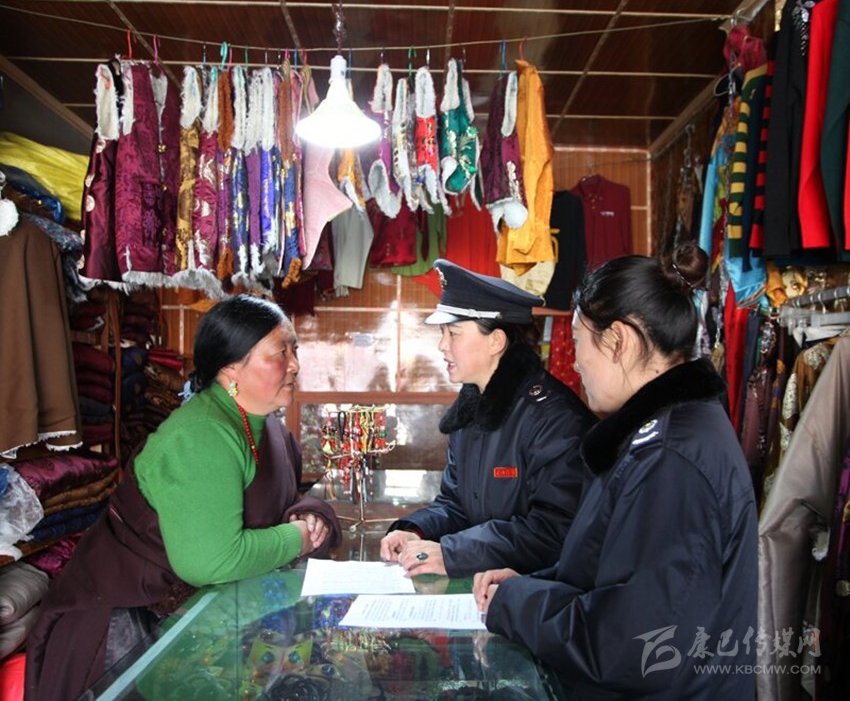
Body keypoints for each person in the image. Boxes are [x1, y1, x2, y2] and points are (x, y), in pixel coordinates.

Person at [473, 244, 758, 699]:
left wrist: (515, 603)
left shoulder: (671, 457)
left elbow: (633, 642)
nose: (576, 361)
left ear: (619, 340)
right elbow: (610, 571)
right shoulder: (660, 433)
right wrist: (532, 584)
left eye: (579, 341)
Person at [25, 294, 341, 701]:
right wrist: (297, 537)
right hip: (129, 638)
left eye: (295, 350)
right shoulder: (201, 435)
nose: (295, 364)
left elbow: (279, 500)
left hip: (197, 629)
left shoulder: (269, 429)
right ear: (231, 368)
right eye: (281, 352)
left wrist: (309, 514)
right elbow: (212, 560)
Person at [380, 259, 595, 578]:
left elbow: (552, 530)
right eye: (443, 333)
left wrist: (453, 553)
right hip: (484, 585)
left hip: (534, 590)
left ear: (496, 341)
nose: (442, 346)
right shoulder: (470, 410)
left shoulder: (553, 418)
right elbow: (456, 505)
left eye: (453, 333)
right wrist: (416, 530)